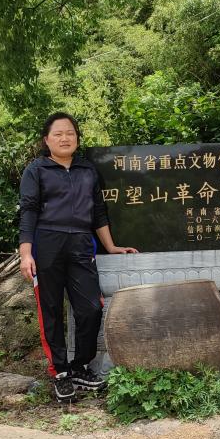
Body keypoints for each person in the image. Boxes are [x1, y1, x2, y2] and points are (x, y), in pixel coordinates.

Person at [19, 112, 137, 403]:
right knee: (50, 309)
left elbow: (98, 212)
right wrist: (26, 253)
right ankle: (60, 373)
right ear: (46, 140)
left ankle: (80, 366)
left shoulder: (87, 170)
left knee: (91, 308)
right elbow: (29, 211)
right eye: (58, 134)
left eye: (70, 133)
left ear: (77, 138)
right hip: (47, 243)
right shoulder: (36, 170)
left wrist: (110, 246)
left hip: (82, 243)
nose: (65, 138)